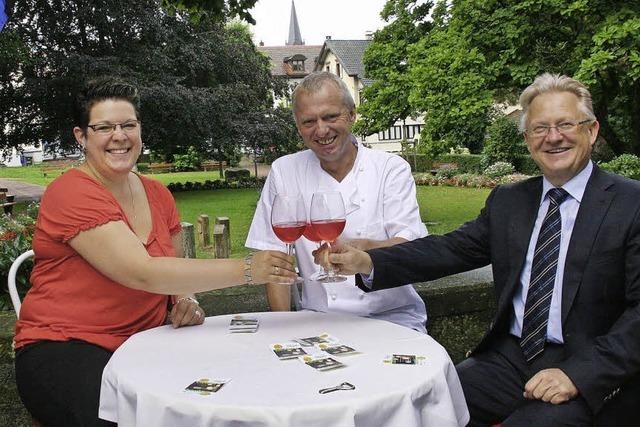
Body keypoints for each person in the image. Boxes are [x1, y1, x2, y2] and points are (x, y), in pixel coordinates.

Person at [328, 73, 640, 426]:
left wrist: (580, 374)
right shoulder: (510, 201)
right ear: (527, 139)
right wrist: (369, 261)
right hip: (511, 358)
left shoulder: (631, 204)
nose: (553, 137)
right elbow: (449, 250)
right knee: (424, 404)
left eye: (565, 124)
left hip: (591, 368)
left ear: (592, 130)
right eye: (540, 128)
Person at [13, 77, 296, 427]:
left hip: (146, 343)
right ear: (81, 137)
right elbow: (143, 272)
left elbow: (174, 275)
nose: (119, 136)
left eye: (128, 124)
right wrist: (249, 269)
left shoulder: (158, 195)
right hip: (65, 345)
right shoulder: (70, 192)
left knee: (239, 390)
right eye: (104, 127)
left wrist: (186, 301)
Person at [245, 71, 428, 332]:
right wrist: (284, 328)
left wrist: (362, 251)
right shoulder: (285, 171)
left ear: (352, 114)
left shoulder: (389, 168)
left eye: (331, 116)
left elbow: (410, 245)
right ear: (298, 126)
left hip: (392, 317)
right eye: (309, 121)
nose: (321, 130)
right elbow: (273, 259)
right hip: (316, 320)